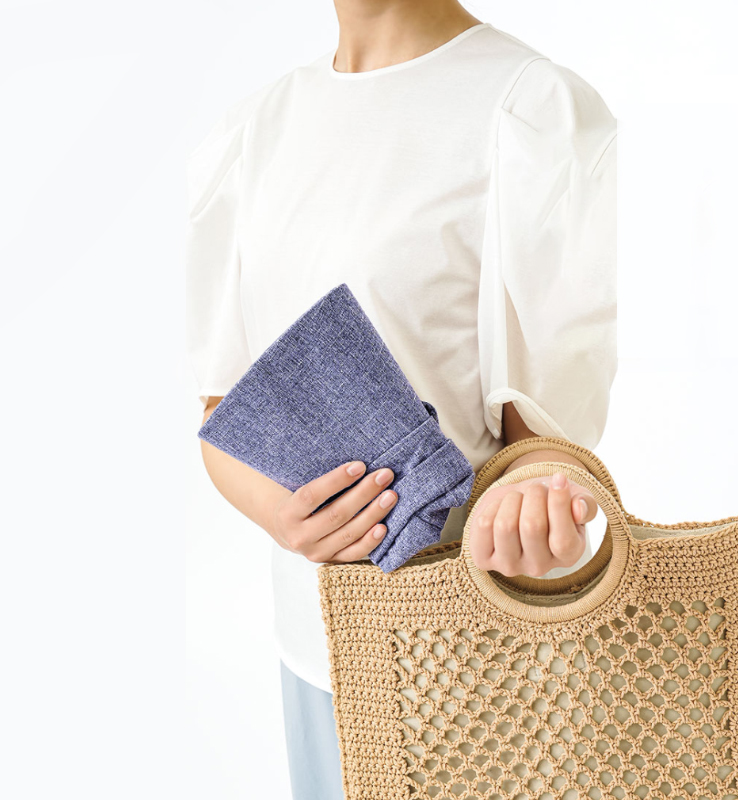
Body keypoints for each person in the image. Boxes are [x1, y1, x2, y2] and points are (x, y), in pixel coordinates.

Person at [185, 2, 617, 797]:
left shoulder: (522, 108)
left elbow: (544, 444)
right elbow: (222, 415)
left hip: (463, 655)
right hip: (315, 647)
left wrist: (534, 508)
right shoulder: (254, 131)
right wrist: (284, 516)